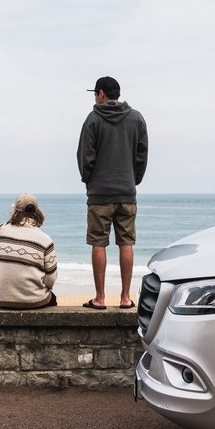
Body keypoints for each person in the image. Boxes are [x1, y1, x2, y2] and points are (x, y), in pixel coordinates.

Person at [77, 75, 148, 310]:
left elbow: (85, 156)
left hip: (99, 195)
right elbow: (142, 155)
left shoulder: (93, 119)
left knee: (99, 243)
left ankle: (100, 298)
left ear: (101, 94)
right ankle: (126, 298)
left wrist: (89, 180)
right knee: (126, 243)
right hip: (127, 192)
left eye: (95, 94)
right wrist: (133, 180)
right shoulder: (136, 118)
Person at [0, 193, 58, 309]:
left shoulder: (0, 231)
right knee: (53, 299)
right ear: (37, 212)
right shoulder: (45, 240)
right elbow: (50, 279)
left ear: (15, 211)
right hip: (34, 301)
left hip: (2, 300)